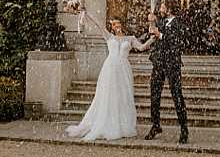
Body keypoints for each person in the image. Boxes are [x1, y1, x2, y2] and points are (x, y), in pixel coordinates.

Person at [64, 9, 153, 141]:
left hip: (123, 69)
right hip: (109, 68)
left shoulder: (130, 39)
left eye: (118, 24)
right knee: (107, 95)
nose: (116, 26)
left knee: (123, 96)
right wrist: (86, 13)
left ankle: (122, 125)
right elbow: (98, 24)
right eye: (114, 24)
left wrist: (153, 38)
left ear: (122, 24)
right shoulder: (109, 37)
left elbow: (142, 47)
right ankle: (106, 123)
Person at [144, 0, 189, 144]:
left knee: (177, 95)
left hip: (172, 65)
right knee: (154, 94)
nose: (160, 9)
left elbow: (177, 41)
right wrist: (151, 23)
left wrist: (160, 34)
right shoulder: (161, 21)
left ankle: (184, 129)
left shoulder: (178, 23)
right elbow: (152, 34)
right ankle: (155, 125)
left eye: (163, 7)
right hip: (158, 63)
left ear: (169, 9)